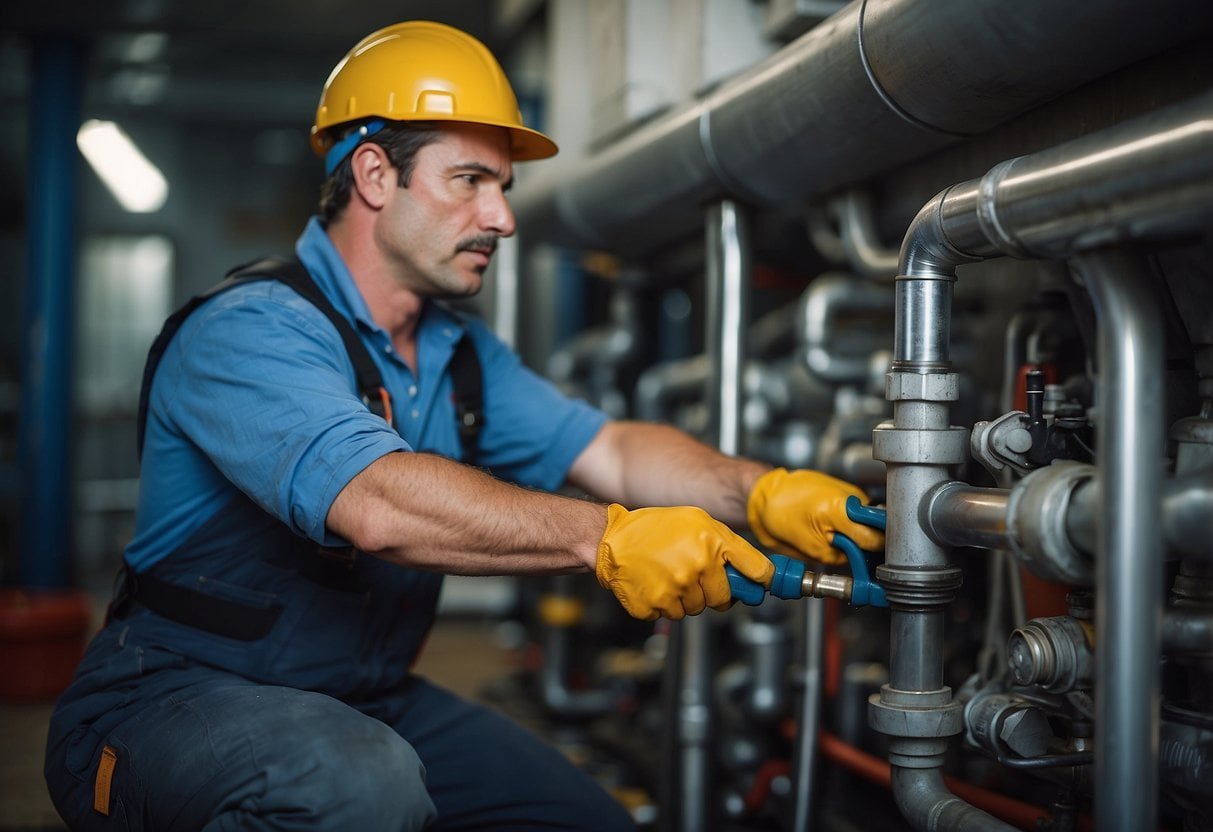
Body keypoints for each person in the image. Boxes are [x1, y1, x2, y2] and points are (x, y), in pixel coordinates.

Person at [44, 20, 884, 832]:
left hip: (356, 699)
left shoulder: (459, 354)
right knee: (355, 787)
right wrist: (607, 539)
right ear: (375, 174)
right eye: (470, 181)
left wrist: (762, 492)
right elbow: (375, 502)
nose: (502, 219)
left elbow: (613, 451)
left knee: (577, 820)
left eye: (503, 188)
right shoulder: (251, 330)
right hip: (170, 700)